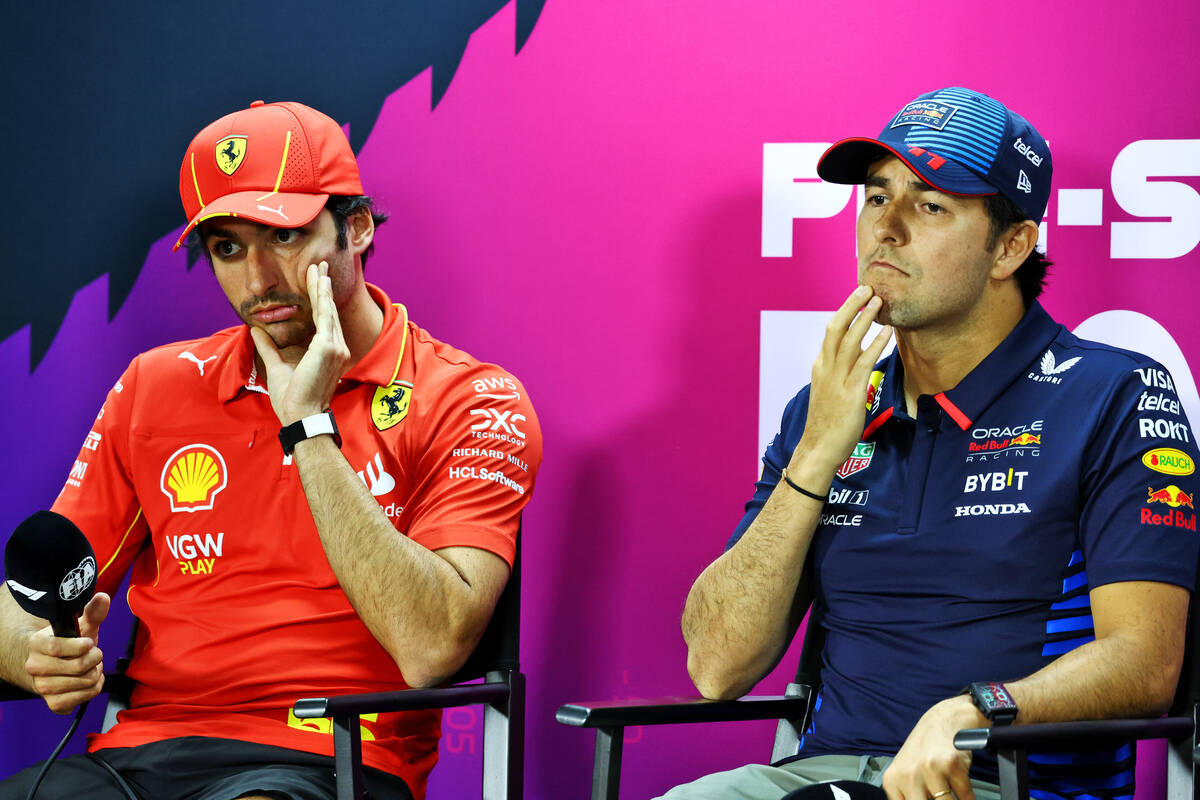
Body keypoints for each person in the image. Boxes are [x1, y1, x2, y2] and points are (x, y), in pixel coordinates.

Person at [664, 87, 1199, 800]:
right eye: (877, 197)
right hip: (820, 778)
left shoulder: (1116, 395)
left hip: (997, 777)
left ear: (1010, 246)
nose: (886, 227)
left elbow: (1144, 663)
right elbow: (716, 665)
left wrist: (976, 709)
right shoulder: (825, 410)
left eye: (930, 205)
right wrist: (816, 455)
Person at [0, 100, 540, 800]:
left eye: (282, 237)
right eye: (227, 248)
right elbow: (22, 604)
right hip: (140, 755)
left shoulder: (471, 399)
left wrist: (308, 426)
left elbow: (432, 647)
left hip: (333, 758)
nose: (257, 282)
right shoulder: (155, 386)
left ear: (357, 227)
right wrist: (34, 653)